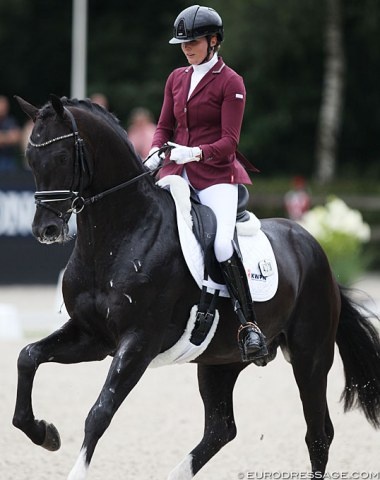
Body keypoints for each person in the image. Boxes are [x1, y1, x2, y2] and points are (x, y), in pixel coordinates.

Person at [145, 5, 267, 362]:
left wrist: (195, 154)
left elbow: (229, 142)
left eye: (193, 41)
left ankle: (248, 327)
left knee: (222, 246)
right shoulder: (176, 78)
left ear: (213, 41)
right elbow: (164, 126)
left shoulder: (232, 82)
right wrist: (156, 151)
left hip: (215, 175)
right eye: (182, 43)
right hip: (175, 171)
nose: (186, 48)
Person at [0, 95, 21, 171]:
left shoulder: (11, 121)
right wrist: (8, 137)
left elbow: (16, 138)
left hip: (10, 159)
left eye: (5, 105)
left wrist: (3, 137)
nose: (3, 107)